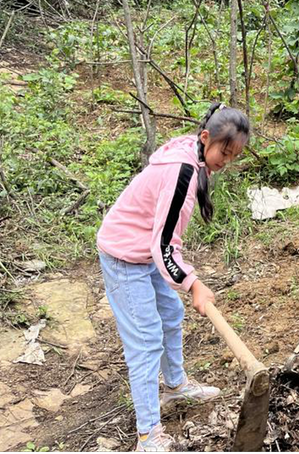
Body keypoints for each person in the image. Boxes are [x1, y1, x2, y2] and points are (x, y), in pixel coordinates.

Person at [96, 104, 250, 452]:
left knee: (170, 313)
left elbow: (161, 242)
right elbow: (164, 245)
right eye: (224, 152)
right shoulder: (182, 170)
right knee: (146, 341)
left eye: (233, 156)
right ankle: (148, 436)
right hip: (124, 255)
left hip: (143, 251)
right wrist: (193, 283)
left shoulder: (193, 154)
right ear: (206, 137)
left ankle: (175, 386)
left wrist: (187, 282)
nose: (226, 162)